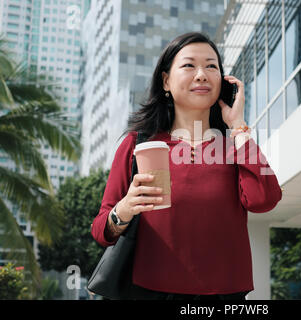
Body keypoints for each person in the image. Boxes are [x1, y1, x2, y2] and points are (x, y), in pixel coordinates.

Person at [91, 32, 282, 300]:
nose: (202, 74)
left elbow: (265, 199)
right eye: (189, 65)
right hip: (150, 293)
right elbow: (101, 231)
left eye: (211, 66)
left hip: (224, 296)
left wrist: (237, 125)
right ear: (166, 81)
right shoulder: (137, 144)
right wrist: (125, 208)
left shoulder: (235, 146)